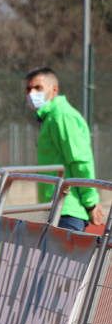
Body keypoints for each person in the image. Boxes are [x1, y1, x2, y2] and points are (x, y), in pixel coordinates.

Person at [24, 67, 105, 231]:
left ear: (54, 90)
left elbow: (80, 161)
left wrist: (91, 203)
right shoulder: (50, 118)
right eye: (28, 89)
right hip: (54, 208)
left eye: (38, 88)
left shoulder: (61, 115)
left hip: (67, 211)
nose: (32, 93)